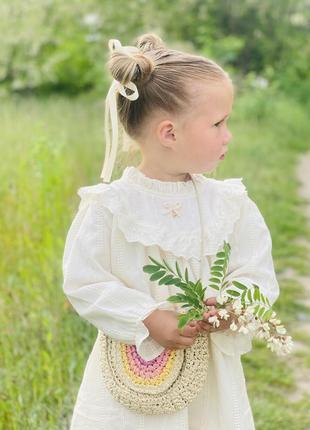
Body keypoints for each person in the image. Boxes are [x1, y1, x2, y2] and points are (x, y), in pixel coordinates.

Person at [62, 33, 280, 430]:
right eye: (218, 123)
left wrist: (231, 305)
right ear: (169, 133)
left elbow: (255, 271)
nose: (228, 134)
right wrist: (146, 317)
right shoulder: (111, 207)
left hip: (209, 379)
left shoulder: (230, 205)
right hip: (134, 370)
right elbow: (84, 281)